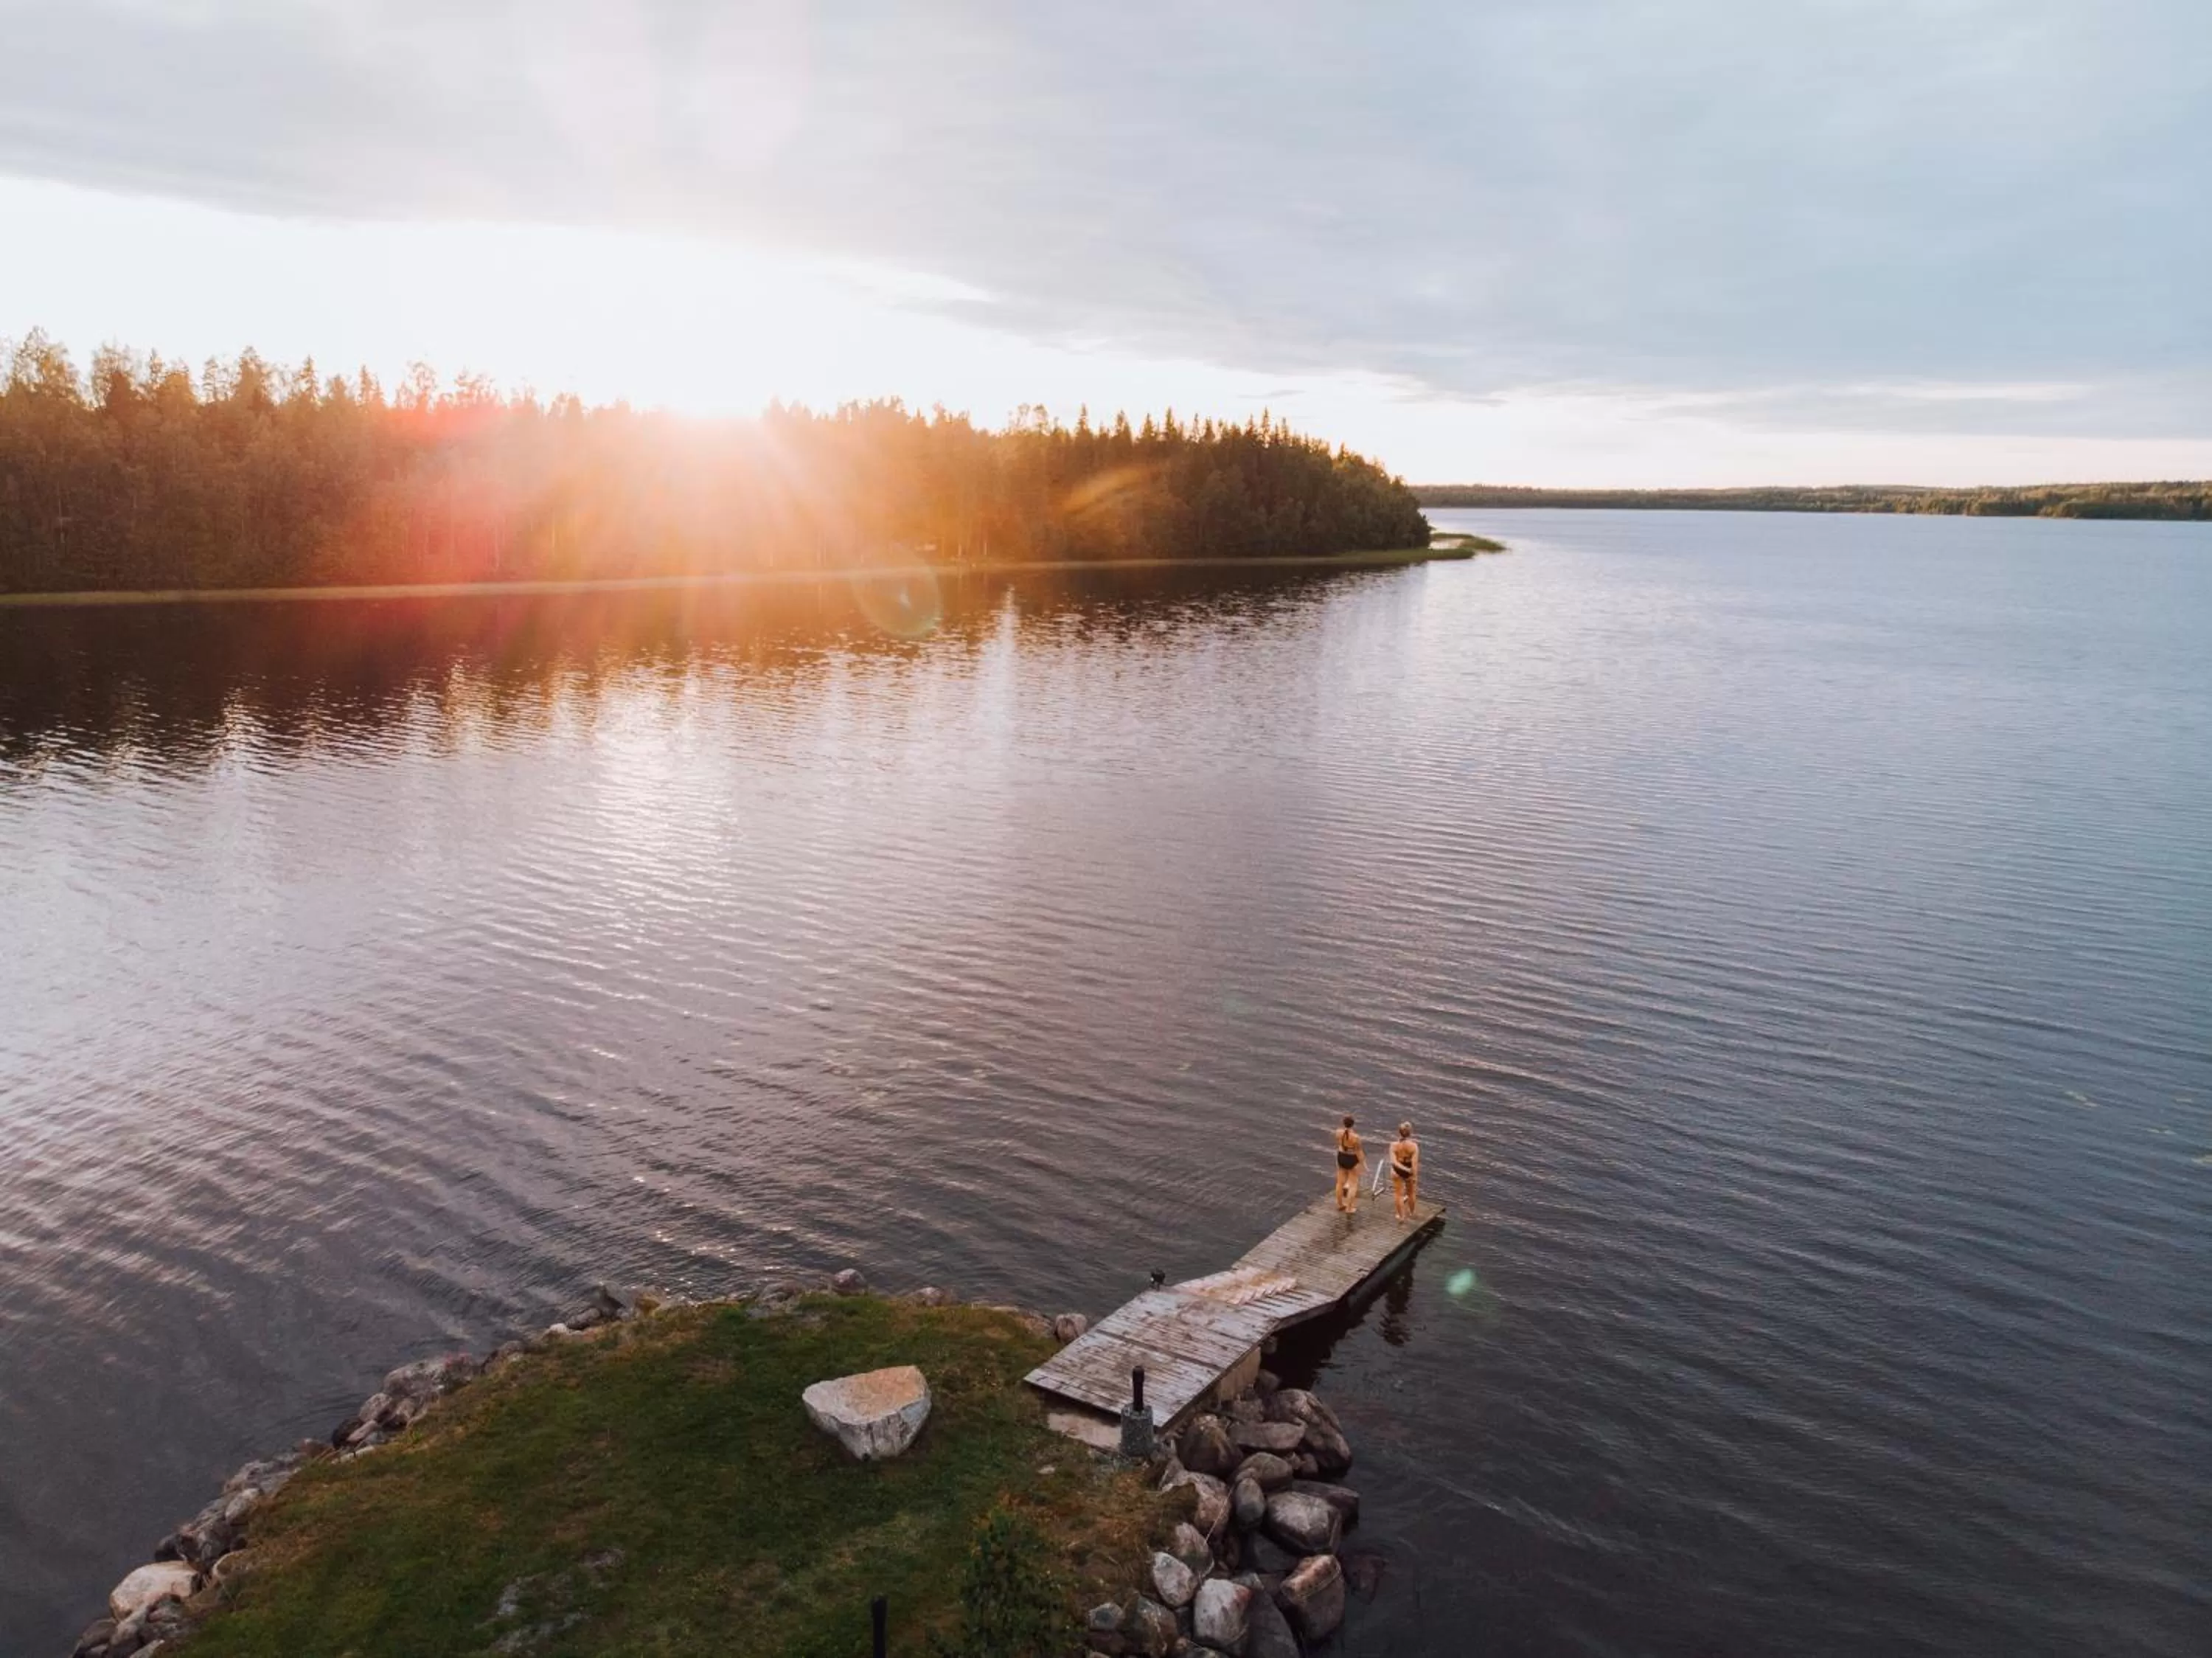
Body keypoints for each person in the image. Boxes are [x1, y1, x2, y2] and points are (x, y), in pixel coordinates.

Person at [1388, 1121, 1420, 1222]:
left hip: (1397, 1170)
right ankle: (1411, 1212)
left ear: (1399, 1132)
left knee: (1398, 1194)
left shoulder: (1393, 1145)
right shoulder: (1414, 1147)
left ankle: (1400, 1216)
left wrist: (1401, 1168)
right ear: (1410, 1133)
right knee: (1411, 1193)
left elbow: (1394, 1162)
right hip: (1409, 1169)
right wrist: (1413, 1174)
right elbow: (1414, 1164)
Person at [1333, 1114, 1364, 1213]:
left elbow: (1339, 1143)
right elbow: (1359, 1151)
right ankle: (1349, 1208)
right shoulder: (1356, 1137)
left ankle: (1339, 1204)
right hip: (1352, 1158)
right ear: (1353, 1124)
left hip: (1341, 1156)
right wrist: (1363, 1164)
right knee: (1353, 1184)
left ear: (1343, 1123)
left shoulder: (1338, 1132)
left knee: (1340, 1182)